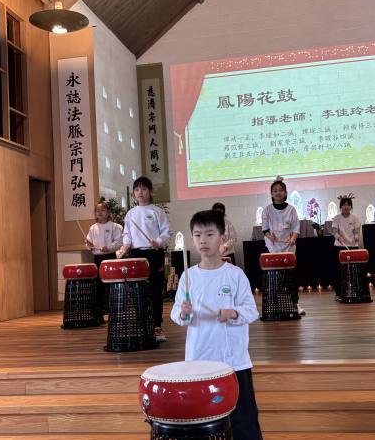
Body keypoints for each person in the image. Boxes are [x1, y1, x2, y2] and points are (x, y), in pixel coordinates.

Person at [171, 210, 263, 440]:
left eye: (209, 234)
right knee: (202, 418)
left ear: (222, 237)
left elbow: (251, 311)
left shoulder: (235, 275)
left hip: (234, 361)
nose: (203, 240)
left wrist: (234, 313)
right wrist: (183, 313)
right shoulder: (188, 277)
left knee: (244, 420)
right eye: (198, 235)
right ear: (192, 239)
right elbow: (177, 315)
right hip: (198, 359)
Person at [118, 176, 171, 342]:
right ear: (134, 194)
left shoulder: (157, 211)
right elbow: (127, 233)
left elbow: (166, 232)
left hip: (154, 254)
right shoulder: (131, 214)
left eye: (144, 189)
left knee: (155, 290)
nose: (140, 192)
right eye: (137, 189)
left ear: (150, 191)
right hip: (136, 255)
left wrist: (158, 242)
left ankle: (157, 326)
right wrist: (125, 246)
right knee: (137, 290)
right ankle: (141, 324)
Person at [261, 176, 305, 315]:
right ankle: (273, 304)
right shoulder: (267, 210)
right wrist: (270, 236)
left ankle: (295, 304)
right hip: (273, 246)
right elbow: (265, 229)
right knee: (274, 276)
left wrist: (292, 239)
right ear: (271, 194)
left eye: (280, 190)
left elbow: (296, 228)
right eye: (275, 191)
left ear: (285, 193)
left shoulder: (291, 209)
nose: (278, 193)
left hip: (288, 246)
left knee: (291, 276)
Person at [86, 200, 123, 320]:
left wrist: (109, 247)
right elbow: (88, 243)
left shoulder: (114, 226)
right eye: (97, 211)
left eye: (103, 210)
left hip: (110, 258)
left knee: (112, 284)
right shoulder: (93, 228)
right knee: (99, 285)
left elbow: (119, 242)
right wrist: (89, 245)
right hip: (98, 258)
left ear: (108, 212)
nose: (100, 212)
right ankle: (99, 314)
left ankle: (114, 312)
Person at [332, 193, 361, 301]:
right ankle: (338, 293)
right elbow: (334, 231)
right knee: (339, 271)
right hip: (340, 247)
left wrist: (357, 237)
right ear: (341, 206)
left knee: (353, 271)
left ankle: (354, 290)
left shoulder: (355, 218)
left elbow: (356, 231)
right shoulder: (336, 218)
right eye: (344, 204)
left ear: (351, 207)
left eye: (348, 204)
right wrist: (339, 237)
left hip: (352, 247)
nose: (346, 206)